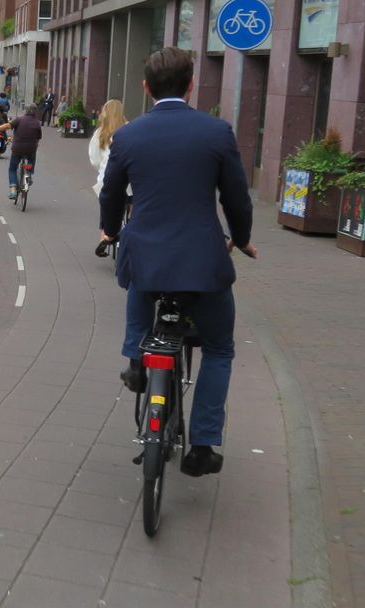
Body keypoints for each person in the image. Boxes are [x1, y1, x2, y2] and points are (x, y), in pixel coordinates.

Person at [99, 47, 256, 478]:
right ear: (191, 85)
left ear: (146, 88)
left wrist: (111, 230)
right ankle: (203, 446)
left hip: (147, 255)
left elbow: (111, 193)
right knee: (220, 348)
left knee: (140, 280)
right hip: (202, 261)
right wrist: (241, 239)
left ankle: (135, 359)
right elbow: (237, 198)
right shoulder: (216, 132)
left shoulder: (129, 137)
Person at [89, 99, 128, 256]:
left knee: (107, 203)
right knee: (129, 199)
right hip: (129, 179)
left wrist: (101, 169)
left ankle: (104, 235)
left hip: (108, 178)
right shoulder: (129, 129)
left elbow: (94, 159)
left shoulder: (100, 134)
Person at [0, 103, 42, 200]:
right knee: (31, 158)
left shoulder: (20, 119)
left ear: (26, 111)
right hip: (30, 149)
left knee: (12, 169)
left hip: (17, 148)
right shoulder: (37, 123)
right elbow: (38, 138)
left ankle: (13, 190)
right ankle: (29, 173)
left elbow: (7, 126)